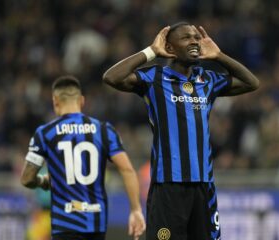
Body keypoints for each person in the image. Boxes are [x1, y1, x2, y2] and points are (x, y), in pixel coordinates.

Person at [103, 22, 259, 240]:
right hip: (168, 185)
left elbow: (251, 83)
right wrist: (150, 52)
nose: (194, 41)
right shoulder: (154, 78)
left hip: (203, 186)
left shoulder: (207, 80)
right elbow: (111, 77)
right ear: (169, 47)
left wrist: (219, 56)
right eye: (186, 38)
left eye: (196, 37)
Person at [20, 76, 146, 240]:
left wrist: (43, 182)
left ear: (55, 101)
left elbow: (27, 179)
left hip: (64, 224)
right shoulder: (104, 130)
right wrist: (136, 209)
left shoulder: (45, 133)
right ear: (82, 101)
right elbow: (127, 170)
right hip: (95, 224)